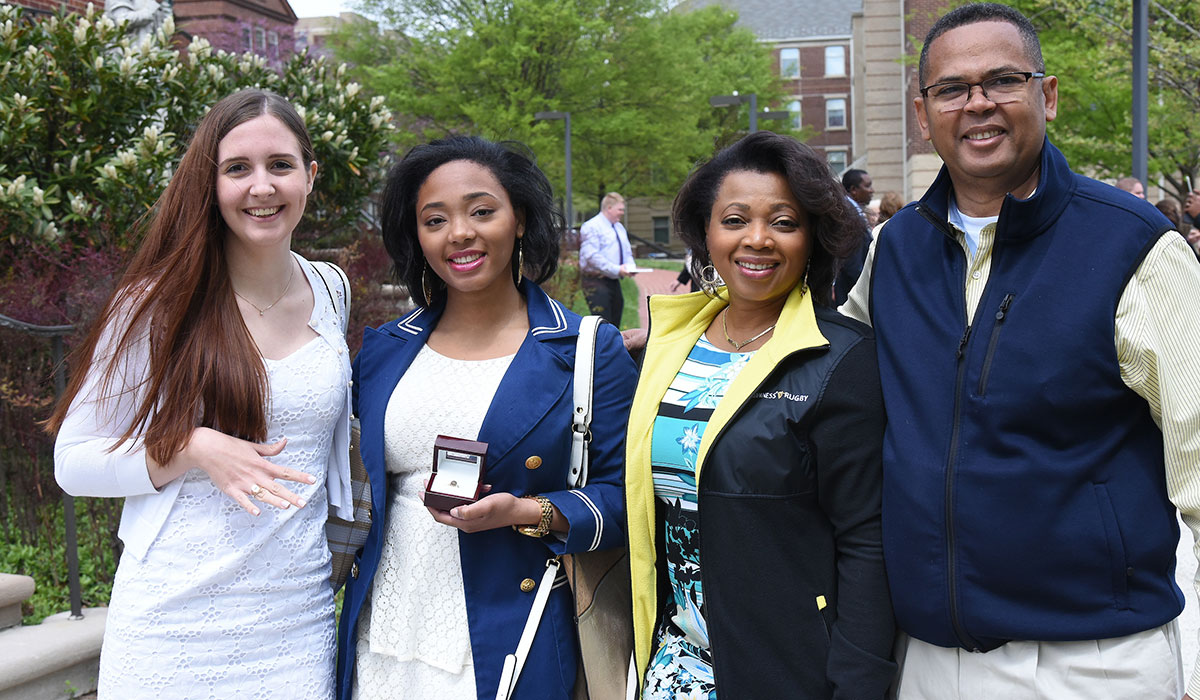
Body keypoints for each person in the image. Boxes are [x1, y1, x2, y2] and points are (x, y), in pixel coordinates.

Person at [839, 4, 1200, 698]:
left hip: (1094, 660)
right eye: (952, 89)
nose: (978, 104)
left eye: (1003, 80)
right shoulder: (895, 251)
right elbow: (826, 381)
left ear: (1048, 95)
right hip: (929, 659)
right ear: (923, 114)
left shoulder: (1135, 247)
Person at [50, 89, 353, 698]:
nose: (261, 187)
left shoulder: (331, 287)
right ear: (209, 184)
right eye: (237, 169)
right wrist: (187, 448)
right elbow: (71, 462)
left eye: (280, 166)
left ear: (310, 176)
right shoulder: (157, 304)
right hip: (173, 622)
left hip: (297, 620)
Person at [336, 136, 638, 700]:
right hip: (382, 632)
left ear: (518, 220)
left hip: (509, 637)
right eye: (435, 220)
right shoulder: (382, 352)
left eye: (482, 211)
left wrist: (530, 510)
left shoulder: (585, 351)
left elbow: (627, 495)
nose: (460, 233)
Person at [625, 131, 895, 699]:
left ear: (812, 237)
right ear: (706, 232)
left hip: (786, 668)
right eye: (735, 220)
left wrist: (858, 682)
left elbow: (867, 542)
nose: (757, 240)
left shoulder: (842, 359)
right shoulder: (669, 347)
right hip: (673, 664)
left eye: (783, 222)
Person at [579, 192, 635, 325]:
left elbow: (627, 252)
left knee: (615, 322)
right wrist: (616, 269)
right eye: (620, 209)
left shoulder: (619, 227)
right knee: (603, 324)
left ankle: (615, 346)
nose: (622, 213)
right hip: (594, 281)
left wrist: (630, 267)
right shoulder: (591, 226)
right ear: (609, 208)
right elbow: (591, 256)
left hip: (613, 281)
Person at [833, 168, 874, 306]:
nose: (871, 190)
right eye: (867, 186)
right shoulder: (848, 214)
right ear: (853, 190)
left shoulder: (853, 211)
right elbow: (852, 264)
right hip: (850, 296)